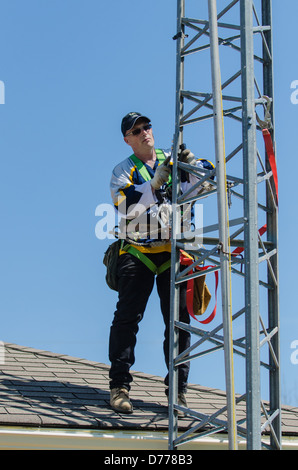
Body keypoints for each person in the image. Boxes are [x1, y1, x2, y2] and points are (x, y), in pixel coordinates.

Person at [108, 112, 213, 414]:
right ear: (127, 139)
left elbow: (209, 180)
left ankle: (177, 392)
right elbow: (124, 205)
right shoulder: (123, 171)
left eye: (147, 127)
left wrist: (191, 162)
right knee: (127, 318)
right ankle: (119, 386)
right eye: (136, 130)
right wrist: (153, 185)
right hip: (138, 250)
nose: (144, 133)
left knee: (178, 323)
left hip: (173, 251)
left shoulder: (173, 160)